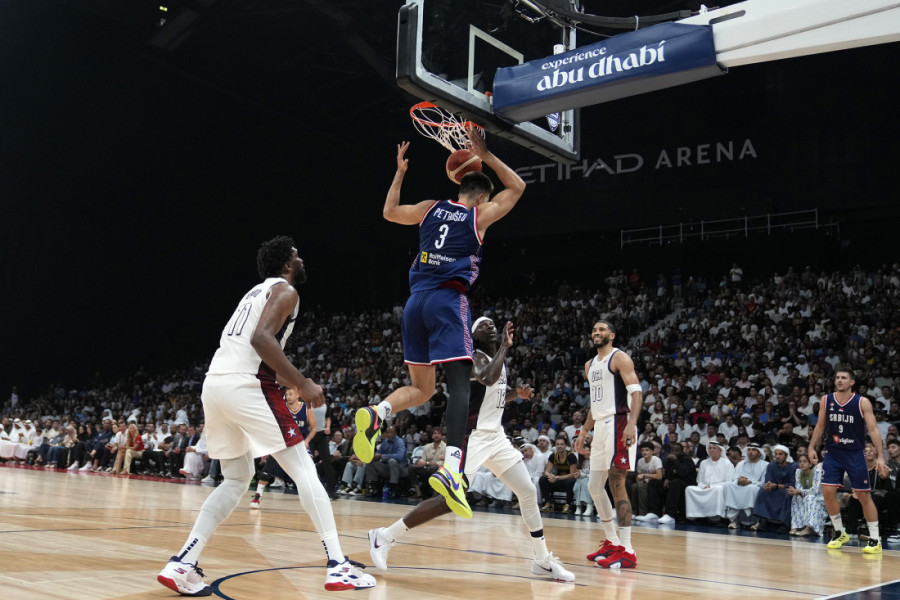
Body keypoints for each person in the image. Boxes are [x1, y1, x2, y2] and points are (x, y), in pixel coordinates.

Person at [157, 236, 375, 595]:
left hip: (215, 385)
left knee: (235, 478)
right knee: (304, 470)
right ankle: (338, 566)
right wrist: (302, 382)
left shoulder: (253, 293)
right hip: (247, 384)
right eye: (297, 255)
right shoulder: (286, 291)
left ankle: (182, 562)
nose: (302, 259)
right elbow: (261, 338)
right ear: (287, 264)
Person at [353, 129, 526, 519]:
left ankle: (377, 413)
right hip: (448, 300)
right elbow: (516, 187)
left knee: (422, 389)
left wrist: (399, 173)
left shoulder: (431, 207)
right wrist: (486, 153)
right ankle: (451, 468)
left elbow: (389, 212)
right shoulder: (478, 215)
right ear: (481, 195)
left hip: (414, 303)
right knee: (462, 380)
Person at [365, 317, 573, 582]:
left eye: (493, 325)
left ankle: (542, 560)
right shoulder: (474, 357)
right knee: (451, 499)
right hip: (472, 437)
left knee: (528, 490)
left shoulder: (494, 357)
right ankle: (384, 536)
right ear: (475, 336)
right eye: (485, 326)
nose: (492, 327)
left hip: (496, 437)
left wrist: (515, 394)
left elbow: (496, 390)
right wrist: (506, 348)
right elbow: (487, 378)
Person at [575, 320, 643, 569]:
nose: (596, 332)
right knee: (594, 486)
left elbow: (636, 393)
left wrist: (632, 423)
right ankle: (612, 542)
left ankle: (627, 550)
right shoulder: (589, 365)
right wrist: (583, 432)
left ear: (612, 335)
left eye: (601, 330)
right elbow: (595, 404)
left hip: (619, 422)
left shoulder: (620, 357)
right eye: (593, 330)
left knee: (617, 482)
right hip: (601, 425)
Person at [808, 367, 888, 554]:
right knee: (827, 491)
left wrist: (881, 457)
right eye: (837, 378)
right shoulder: (826, 400)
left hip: (854, 453)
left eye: (844, 378)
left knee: (862, 495)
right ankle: (839, 532)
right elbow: (820, 426)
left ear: (852, 382)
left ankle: (875, 539)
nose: (839, 380)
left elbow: (874, 430)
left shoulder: (862, 402)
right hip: (834, 452)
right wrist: (812, 446)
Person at [722, 442, 768, 528]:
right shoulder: (741, 463)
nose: (750, 452)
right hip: (740, 485)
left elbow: (763, 483)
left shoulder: (765, 465)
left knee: (751, 488)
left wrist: (750, 482)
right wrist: (739, 481)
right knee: (727, 485)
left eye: (753, 450)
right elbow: (734, 479)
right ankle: (733, 520)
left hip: (754, 487)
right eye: (749, 450)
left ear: (759, 453)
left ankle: (756, 521)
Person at [789, 454, 826, 536]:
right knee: (795, 497)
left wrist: (800, 491)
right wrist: (794, 491)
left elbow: (816, 490)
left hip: (819, 497)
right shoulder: (798, 472)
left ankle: (808, 528)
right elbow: (798, 487)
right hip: (806, 495)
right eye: (800, 461)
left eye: (805, 461)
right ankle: (795, 526)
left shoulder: (816, 472)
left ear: (810, 464)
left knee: (810, 498)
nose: (802, 463)